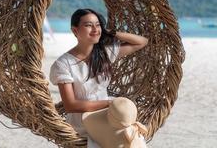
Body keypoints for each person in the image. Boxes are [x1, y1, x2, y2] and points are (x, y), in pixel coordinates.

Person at [49, 8, 148, 148]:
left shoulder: (104, 53)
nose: (95, 29)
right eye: (88, 25)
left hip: (110, 115)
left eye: (97, 24)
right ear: (75, 31)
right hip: (83, 120)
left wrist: (110, 32)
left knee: (131, 138)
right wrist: (108, 103)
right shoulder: (63, 64)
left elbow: (142, 42)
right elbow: (70, 105)